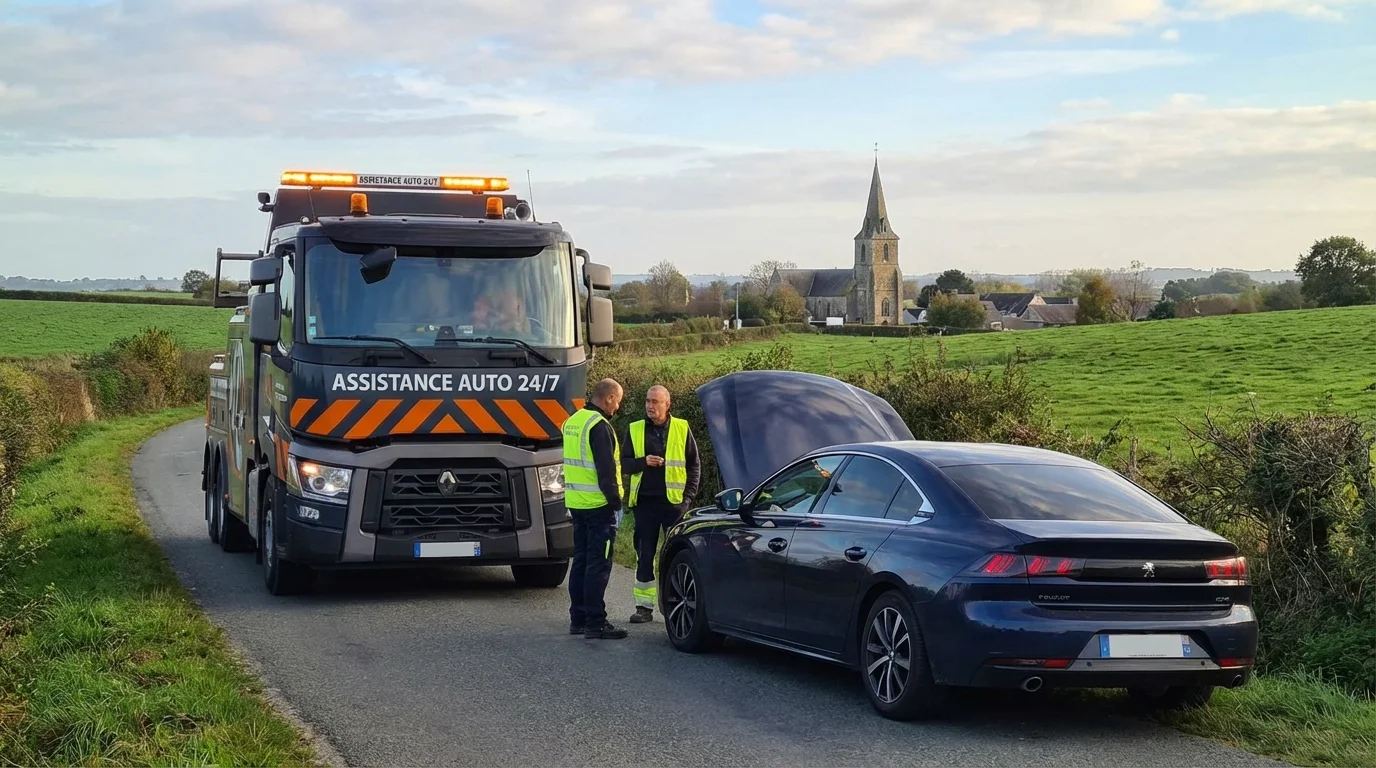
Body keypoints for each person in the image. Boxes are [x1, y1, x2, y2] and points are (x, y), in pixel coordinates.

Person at [620, 385, 702, 624]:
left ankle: (673, 604)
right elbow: (623, 464)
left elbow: (694, 465)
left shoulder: (682, 427)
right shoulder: (635, 430)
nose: (650, 406)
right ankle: (643, 607)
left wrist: (687, 499)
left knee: (675, 556)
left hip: (674, 505)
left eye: (655, 401)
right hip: (645, 504)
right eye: (647, 401)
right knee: (645, 554)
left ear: (668, 404)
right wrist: (643, 462)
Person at [561, 377, 629, 640]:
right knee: (598, 565)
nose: (618, 408)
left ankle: (577, 619)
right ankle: (595, 622)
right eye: (618, 401)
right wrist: (616, 504)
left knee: (580, 561)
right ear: (609, 398)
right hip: (599, 506)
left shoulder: (573, 421)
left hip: (576, 504)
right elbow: (606, 472)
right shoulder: (599, 426)